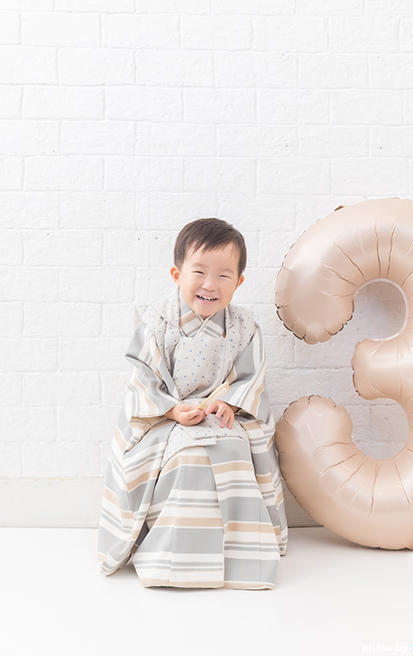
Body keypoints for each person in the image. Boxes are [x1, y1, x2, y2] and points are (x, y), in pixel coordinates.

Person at [97, 218, 288, 589]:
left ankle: (240, 561)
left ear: (239, 282)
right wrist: (172, 410)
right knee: (189, 456)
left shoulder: (244, 325)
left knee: (232, 449)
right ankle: (171, 562)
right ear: (177, 274)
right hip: (164, 417)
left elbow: (250, 377)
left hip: (221, 413)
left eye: (223, 275)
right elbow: (143, 378)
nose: (210, 285)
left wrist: (230, 403)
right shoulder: (156, 322)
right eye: (199, 272)